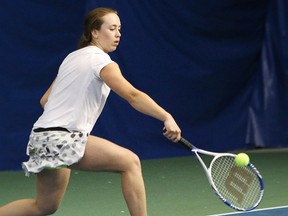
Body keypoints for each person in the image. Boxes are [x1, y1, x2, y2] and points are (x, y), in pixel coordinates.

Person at [0, 7, 181, 216]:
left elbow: (45, 100)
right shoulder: (101, 61)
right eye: (111, 28)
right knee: (130, 162)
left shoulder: (72, 58)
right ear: (94, 32)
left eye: (119, 29)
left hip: (41, 138)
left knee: (45, 206)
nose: (118, 34)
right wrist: (166, 116)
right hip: (62, 137)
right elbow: (133, 96)